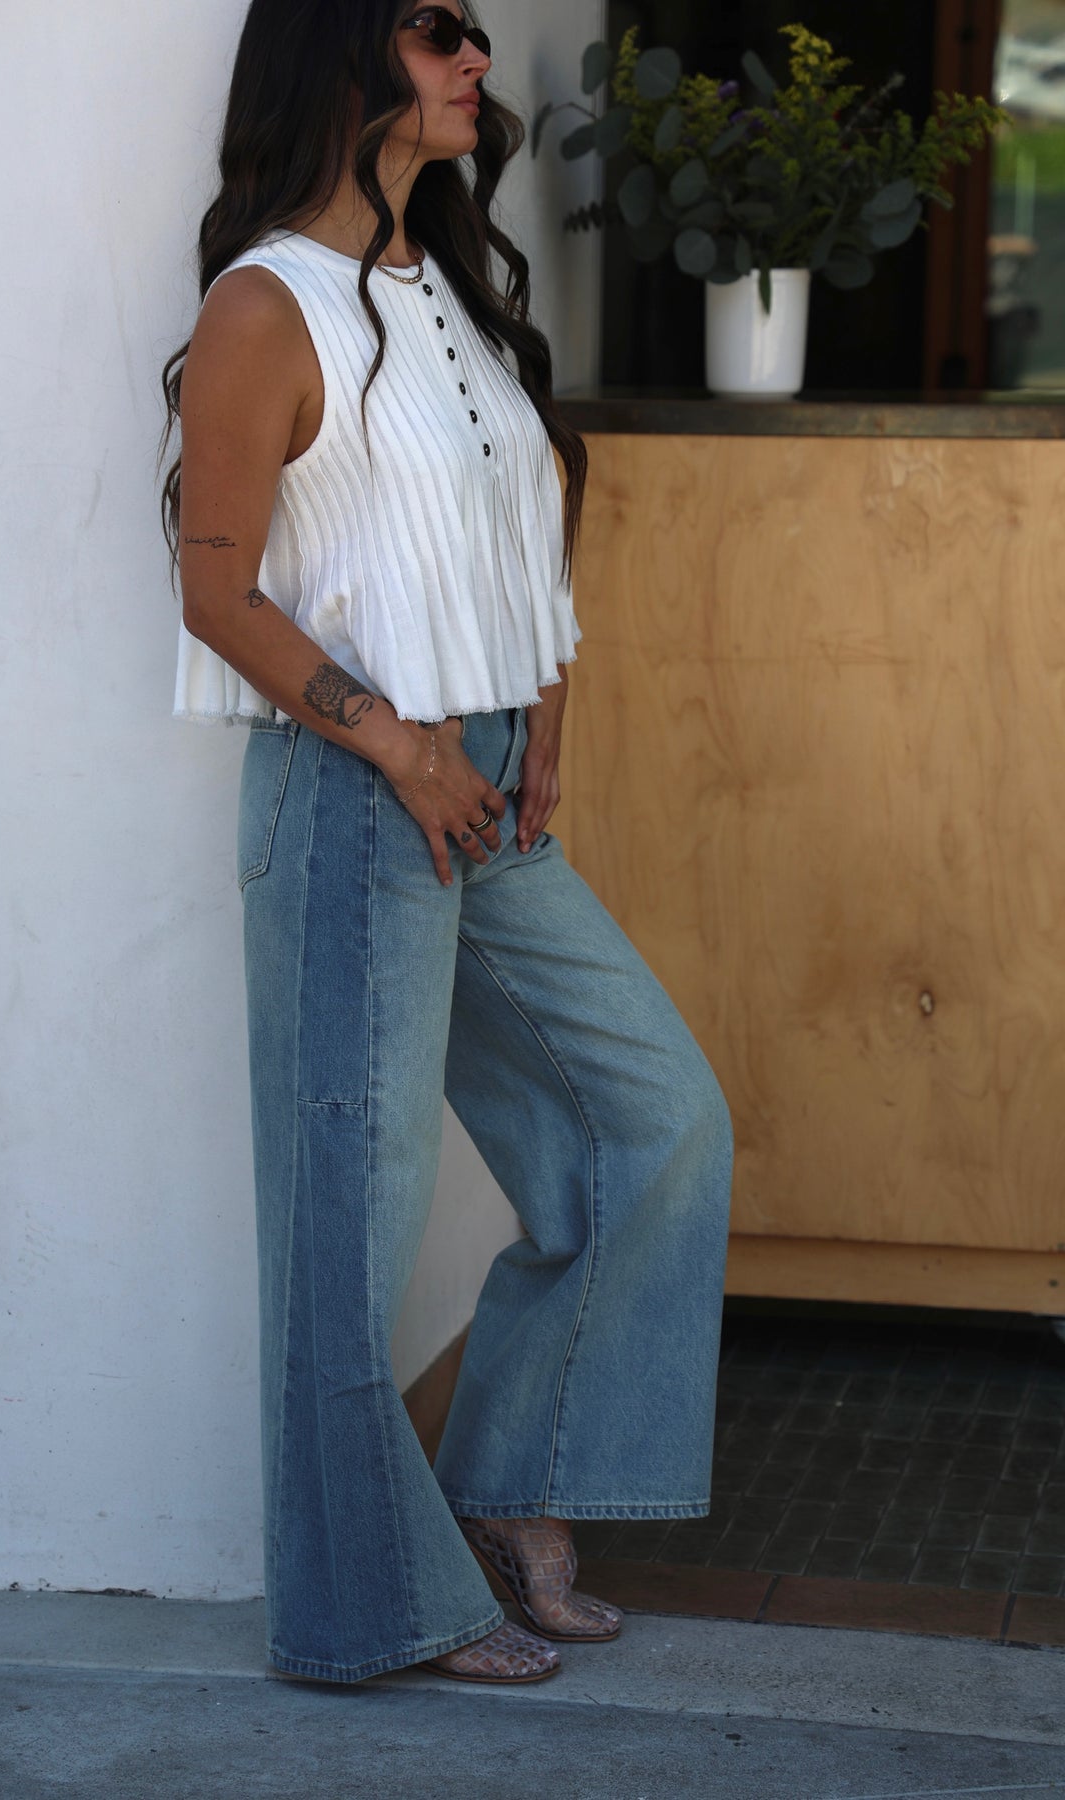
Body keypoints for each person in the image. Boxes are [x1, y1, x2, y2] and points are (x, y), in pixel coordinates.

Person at [159, 0, 734, 1687]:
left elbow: (522, 516)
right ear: (343, 63)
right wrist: (397, 745)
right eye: (435, 33)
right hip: (357, 796)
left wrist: (543, 698)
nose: (476, 59)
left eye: (477, 31)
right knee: (353, 1215)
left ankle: (518, 1493)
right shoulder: (268, 304)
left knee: (652, 1119)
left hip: (483, 782)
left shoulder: (446, 291)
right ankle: (364, 1609)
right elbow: (212, 588)